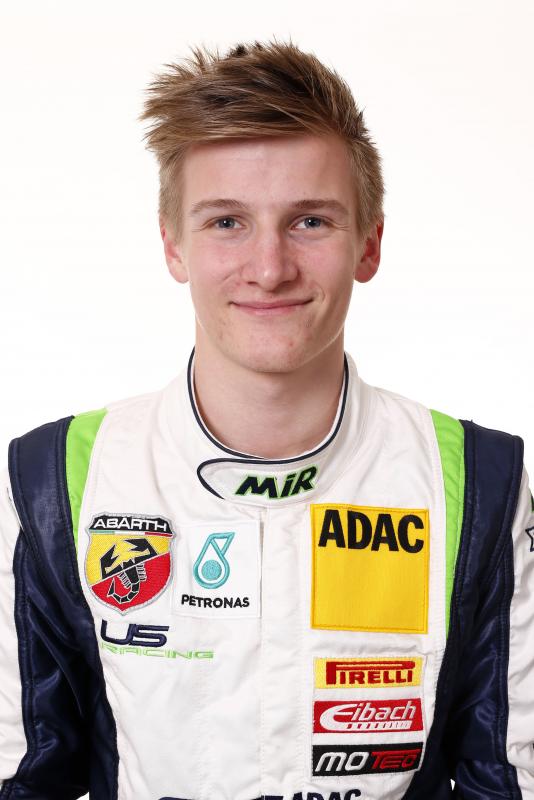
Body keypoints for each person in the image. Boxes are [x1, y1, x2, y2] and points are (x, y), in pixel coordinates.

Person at [0, 38, 532, 800]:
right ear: (172, 245)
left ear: (370, 244)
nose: (271, 267)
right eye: (227, 222)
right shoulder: (55, 483)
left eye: (310, 221)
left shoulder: (479, 487)